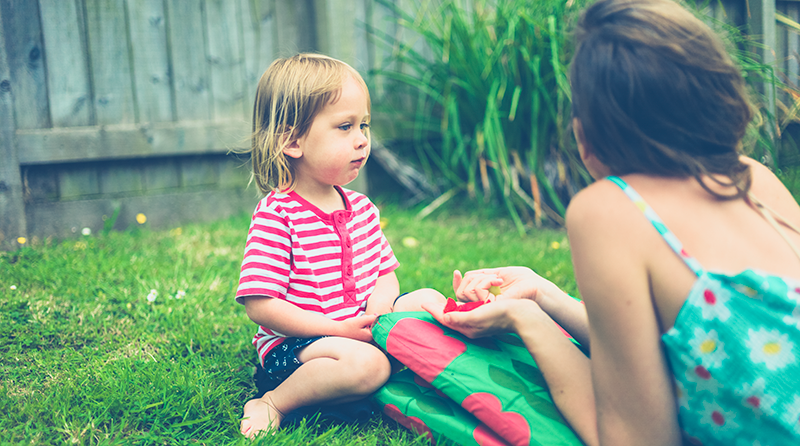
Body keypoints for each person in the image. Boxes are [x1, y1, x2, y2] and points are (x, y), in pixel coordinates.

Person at [422, 0, 800, 445]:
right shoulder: (755, 180)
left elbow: (638, 438)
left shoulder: (610, 208)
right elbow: (702, 346)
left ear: (586, 131)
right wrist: (546, 295)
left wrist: (528, 319)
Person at [235, 53, 444, 438]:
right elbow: (261, 305)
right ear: (292, 140)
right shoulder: (278, 214)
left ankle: (428, 379)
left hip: (360, 328)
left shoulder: (362, 208)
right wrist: (337, 329)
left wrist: (380, 310)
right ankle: (274, 401)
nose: (363, 139)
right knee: (369, 366)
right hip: (301, 345)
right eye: (345, 127)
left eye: (364, 125)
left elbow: (385, 275)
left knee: (426, 298)